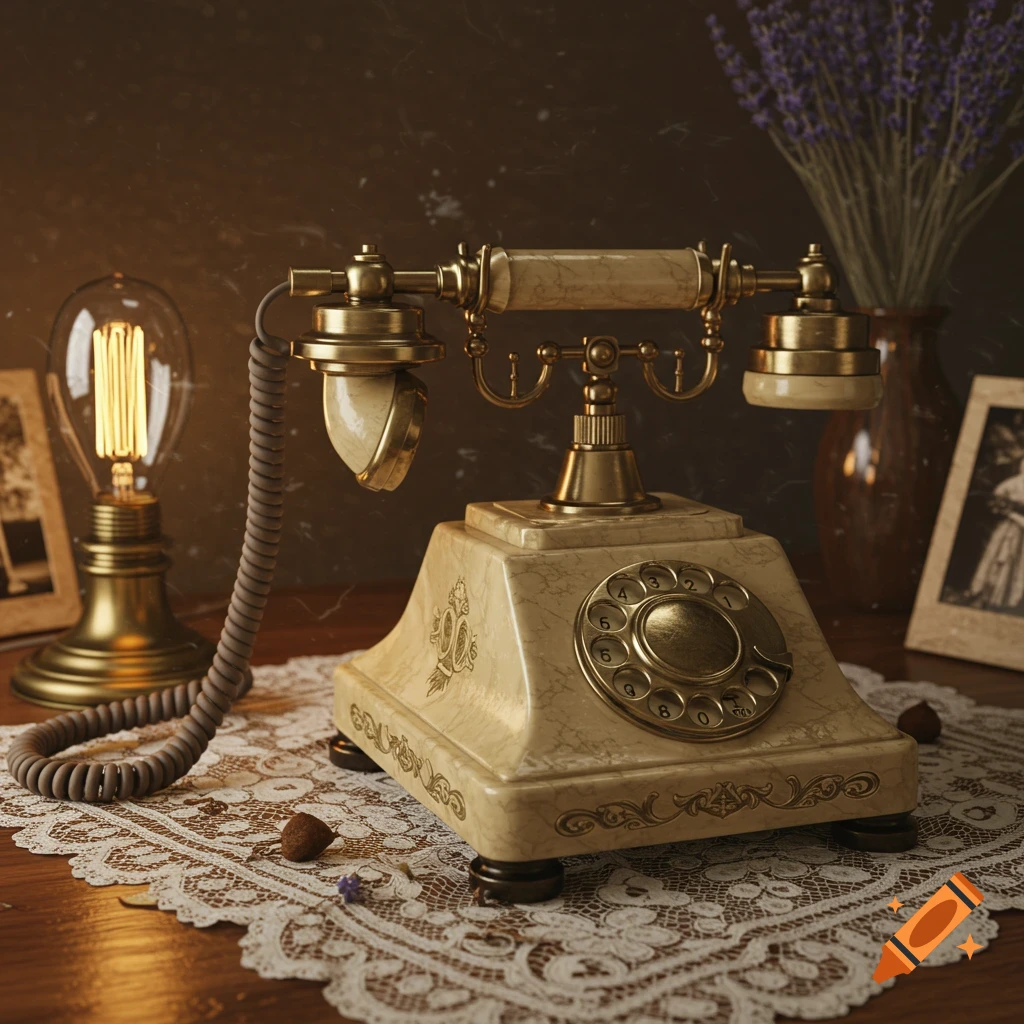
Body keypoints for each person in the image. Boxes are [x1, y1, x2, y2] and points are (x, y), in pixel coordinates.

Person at [966, 457, 1024, 611]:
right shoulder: (1011, 484)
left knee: (1019, 561)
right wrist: (1014, 516)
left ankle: (1010, 597)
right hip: (1009, 527)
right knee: (1002, 556)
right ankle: (986, 593)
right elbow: (997, 504)